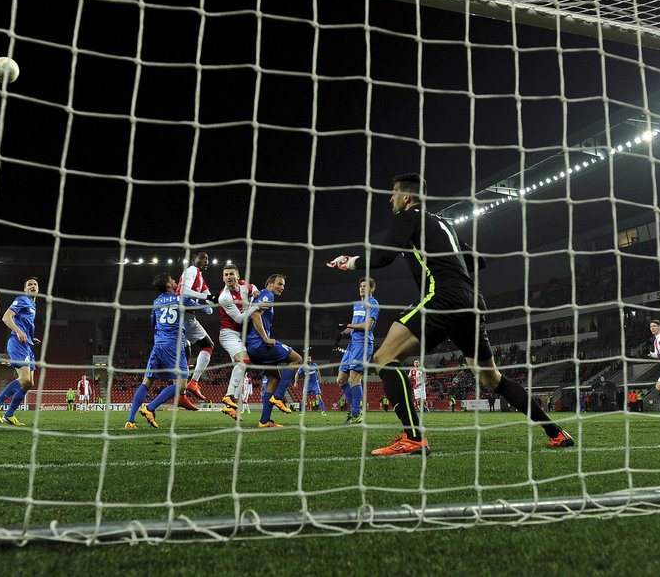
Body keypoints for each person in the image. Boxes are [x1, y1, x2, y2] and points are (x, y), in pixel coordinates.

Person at [328, 173, 573, 455]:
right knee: (491, 378)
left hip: (442, 296)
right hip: (472, 300)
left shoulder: (408, 217)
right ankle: (556, 432)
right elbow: (479, 261)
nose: (390, 198)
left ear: (406, 197)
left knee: (384, 359)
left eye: (394, 193)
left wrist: (350, 262)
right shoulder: (444, 224)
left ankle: (413, 438)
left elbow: (383, 257)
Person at [124, 272, 205, 429]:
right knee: (181, 384)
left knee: (147, 382)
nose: (175, 281)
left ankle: (130, 420)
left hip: (158, 344)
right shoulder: (180, 298)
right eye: (173, 280)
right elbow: (206, 310)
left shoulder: (156, 302)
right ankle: (150, 408)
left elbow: (153, 323)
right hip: (174, 345)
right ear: (168, 285)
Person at [245, 274, 303, 428]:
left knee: (274, 379)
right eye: (279, 283)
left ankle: (264, 421)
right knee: (297, 359)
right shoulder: (267, 294)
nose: (281, 287)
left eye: (283, 285)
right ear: (270, 283)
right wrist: (265, 338)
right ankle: (278, 396)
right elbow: (255, 315)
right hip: (259, 344)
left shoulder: (261, 296)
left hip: (251, 346)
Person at [216, 264, 269, 420]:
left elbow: (252, 287)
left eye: (231, 274)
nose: (228, 277)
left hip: (241, 334)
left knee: (242, 369)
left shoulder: (244, 285)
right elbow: (239, 318)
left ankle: (229, 407)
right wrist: (255, 306)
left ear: (238, 276)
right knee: (244, 361)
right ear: (223, 278)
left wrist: (256, 291)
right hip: (229, 334)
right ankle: (229, 396)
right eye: (225, 275)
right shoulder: (224, 297)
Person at [0, 277, 41, 427]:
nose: (33, 286)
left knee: (29, 383)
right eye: (29, 285)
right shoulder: (22, 299)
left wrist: (31, 338)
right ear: (25, 289)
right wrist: (19, 332)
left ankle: (10, 414)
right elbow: (6, 318)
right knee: (24, 379)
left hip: (27, 345)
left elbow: (24, 323)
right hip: (17, 343)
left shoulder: (32, 304)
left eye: (35, 284)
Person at [336, 277, 379, 425]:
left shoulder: (373, 304)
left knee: (354, 377)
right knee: (341, 380)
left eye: (365, 286)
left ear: (372, 289)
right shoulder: (357, 304)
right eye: (360, 286)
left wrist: (348, 325)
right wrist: (343, 332)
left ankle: (356, 413)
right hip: (352, 344)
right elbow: (354, 325)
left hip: (363, 344)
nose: (362, 288)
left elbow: (367, 325)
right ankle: (356, 410)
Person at [177, 251, 217, 402]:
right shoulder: (192, 270)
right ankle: (194, 382)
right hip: (185, 315)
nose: (206, 260)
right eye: (202, 258)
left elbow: (210, 298)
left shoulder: (200, 277)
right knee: (208, 344)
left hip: (181, 316)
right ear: (194, 260)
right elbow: (184, 291)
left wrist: (219, 302)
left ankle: (182, 396)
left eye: (207, 258)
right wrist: (205, 300)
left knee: (185, 355)